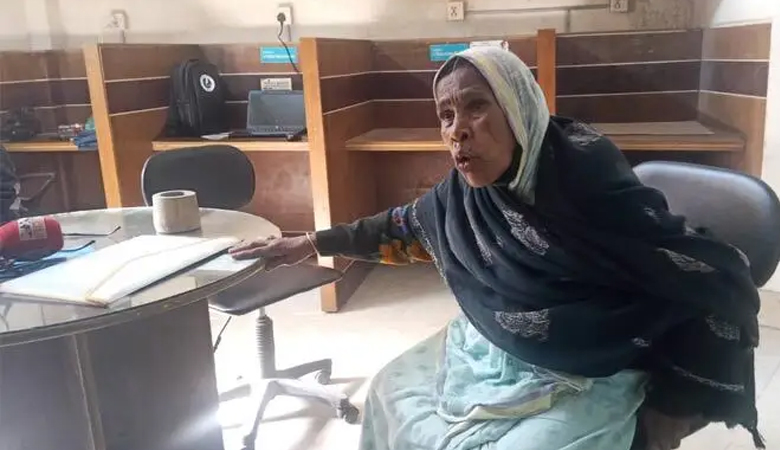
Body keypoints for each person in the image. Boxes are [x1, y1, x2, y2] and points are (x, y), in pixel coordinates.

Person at [230, 47, 763, 450]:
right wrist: (311, 242)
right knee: (386, 393)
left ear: (517, 108)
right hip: (492, 347)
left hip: (596, 360)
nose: (458, 131)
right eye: (446, 115)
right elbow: (402, 228)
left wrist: (676, 407)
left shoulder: (587, 182)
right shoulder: (466, 193)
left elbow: (707, 275)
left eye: (476, 107)